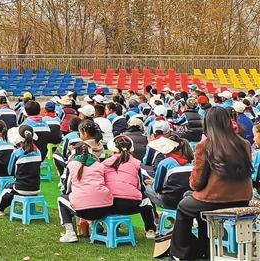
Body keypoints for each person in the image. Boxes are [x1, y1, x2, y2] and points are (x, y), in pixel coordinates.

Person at [170, 107, 253, 260]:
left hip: (215, 199)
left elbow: (197, 183)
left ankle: (181, 252)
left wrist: (192, 181)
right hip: (242, 198)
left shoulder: (205, 145)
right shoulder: (244, 143)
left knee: (183, 206)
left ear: (207, 123)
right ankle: (205, 249)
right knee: (195, 205)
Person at [102, 135, 157, 239]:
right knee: (147, 202)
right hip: (131, 204)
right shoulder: (136, 164)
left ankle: (106, 228)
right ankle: (150, 229)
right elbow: (141, 187)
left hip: (109, 205)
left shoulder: (105, 164)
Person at [0, 125, 42, 216]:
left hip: (21, 188)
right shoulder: (38, 152)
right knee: (14, 188)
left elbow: (10, 171)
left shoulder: (17, 153)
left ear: (19, 138)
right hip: (36, 188)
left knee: (7, 190)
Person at [144, 135, 193, 210]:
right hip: (187, 200)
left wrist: (153, 183)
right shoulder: (191, 164)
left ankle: (155, 214)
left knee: (145, 188)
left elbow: (157, 188)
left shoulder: (164, 163)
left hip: (169, 202)